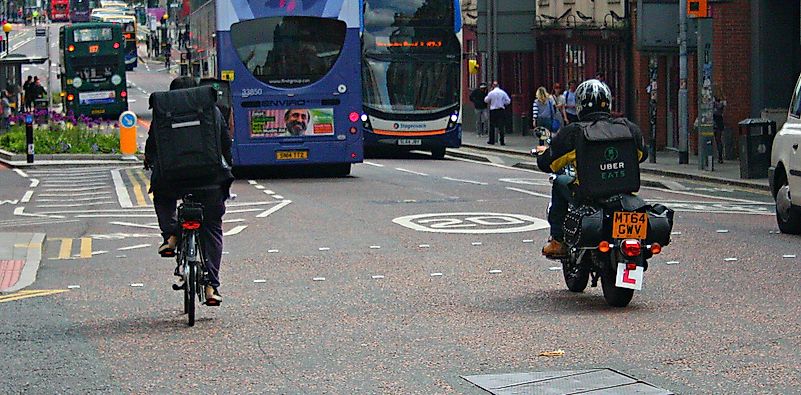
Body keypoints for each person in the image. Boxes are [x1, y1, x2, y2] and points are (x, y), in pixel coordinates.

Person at [144, 76, 234, 306]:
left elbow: (152, 148)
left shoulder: (163, 112)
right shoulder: (211, 110)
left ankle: (171, 235)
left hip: (173, 180)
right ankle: (211, 285)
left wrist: (149, 163)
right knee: (212, 226)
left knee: (162, 197)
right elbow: (225, 143)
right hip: (210, 181)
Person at [533, 79, 647, 258]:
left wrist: (543, 154)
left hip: (588, 193)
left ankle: (558, 240)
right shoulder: (629, 128)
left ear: (580, 105)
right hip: (625, 192)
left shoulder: (573, 132)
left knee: (559, 182)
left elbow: (548, 163)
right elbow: (642, 155)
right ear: (608, 102)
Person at [484, 81, 510, 145]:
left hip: (493, 110)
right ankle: (502, 141)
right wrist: (503, 103)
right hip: (501, 110)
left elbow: (486, 100)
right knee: (501, 126)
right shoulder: (503, 92)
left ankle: (491, 140)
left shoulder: (491, 93)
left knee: (492, 125)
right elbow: (508, 101)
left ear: (493, 86)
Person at [713, 89, 727, 164]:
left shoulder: (714, 104)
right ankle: (720, 157)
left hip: (715, 123)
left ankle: (717, 156)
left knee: (715, 140)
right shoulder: (721, 105)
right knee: (718, 140)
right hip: (719, 123)